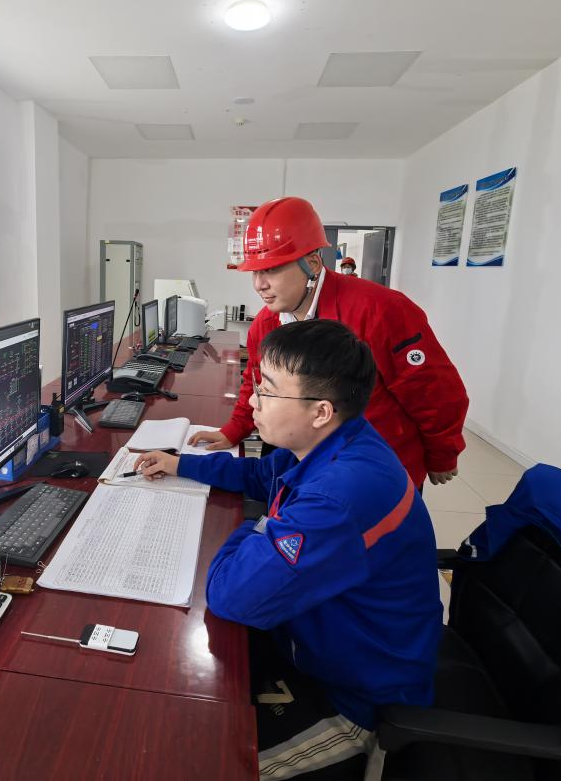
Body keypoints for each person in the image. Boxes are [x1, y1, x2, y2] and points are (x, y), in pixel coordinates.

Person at [135, 320, 442, 779]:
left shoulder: (340, 496)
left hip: (355, 697)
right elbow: (262, 476)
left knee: (192, 762)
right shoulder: (337, 439)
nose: (252, 402)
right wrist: (181, 465)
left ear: (320, 411)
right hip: (312, 638)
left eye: (269, 391)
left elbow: (232, 595)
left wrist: (257, 527)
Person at [191, 196, 468, 488]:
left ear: (312, 263)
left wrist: (442, 454)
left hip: (375, 469)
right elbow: (257, 382)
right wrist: (233, 430)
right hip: (304, 459)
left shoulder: (380, 310)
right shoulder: (266, 323)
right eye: (255, 272)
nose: (260, 284)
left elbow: (433, 390)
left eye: (272, 269)